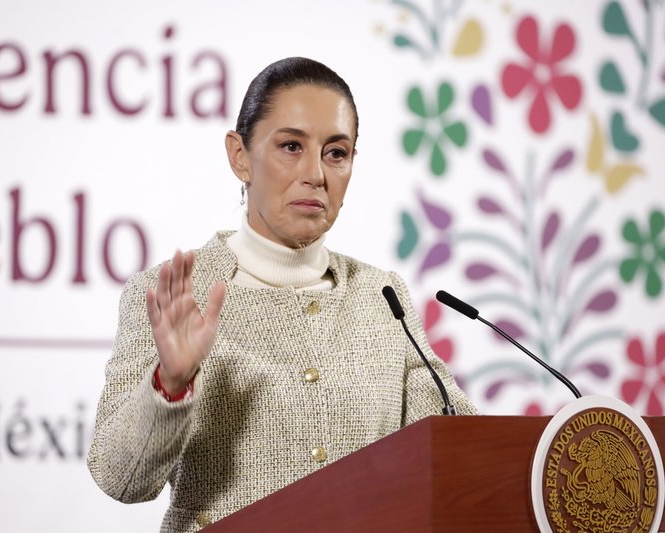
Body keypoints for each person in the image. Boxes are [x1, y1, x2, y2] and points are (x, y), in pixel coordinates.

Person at [87, 57, 476, 532]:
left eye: (336, 152)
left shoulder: (381, 296)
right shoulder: (171, 294)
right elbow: (120, 479)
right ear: (240, 156)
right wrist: (171, 384)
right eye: (291, 146)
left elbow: (460, 449)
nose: (315, 173)